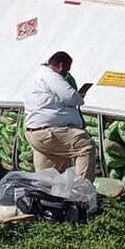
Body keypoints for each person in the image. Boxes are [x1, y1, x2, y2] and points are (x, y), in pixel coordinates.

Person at [23, 51, 95, 180]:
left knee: (50, 176)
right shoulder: (51, 77)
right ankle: (81, 191)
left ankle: (50, 197)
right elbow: (71, 97)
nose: (66, 74)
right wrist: (80, 96)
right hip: (50, 132)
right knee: (85, 146)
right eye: (66, 70)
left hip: (35, 134)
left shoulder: (38, 79)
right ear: (61, 66)